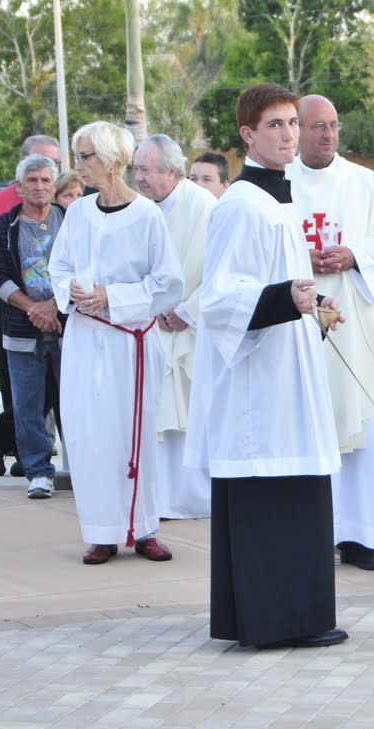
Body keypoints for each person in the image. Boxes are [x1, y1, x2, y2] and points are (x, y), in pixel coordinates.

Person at [186, 83, 347, 650]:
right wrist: (285, 301)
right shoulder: (240, 206)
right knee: (272, 490)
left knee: (300, 491)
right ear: (248, 135)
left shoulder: (280, 200)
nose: (288, 134)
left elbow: (281, 282)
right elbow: (220, 299)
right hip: (260, 387)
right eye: (275, 125)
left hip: (289, 372)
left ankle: (297, 616)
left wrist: (315, 306)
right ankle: (270, 620)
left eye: (292, 124)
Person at [289, 93, 374, 572]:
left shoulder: (363, 183)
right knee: (309, 426)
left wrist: (355, 255)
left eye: (334, 126)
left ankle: (362, 537)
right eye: (317, 126)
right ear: (297, 130)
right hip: (300, 324)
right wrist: (302, 260)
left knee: (361, 429)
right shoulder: (279, 184)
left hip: (355, 326)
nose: (328, 135)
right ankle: (312, 535)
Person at [48, 121, 183, 564]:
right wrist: (73, 292)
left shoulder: (147, 215)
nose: (78, 165)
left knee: (135, 435)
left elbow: (167, 283)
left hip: (131, 344)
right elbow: (60, 266)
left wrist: (113, 297)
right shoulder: (79, 213)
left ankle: (144, 528)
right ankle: (101, 531)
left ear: (110, 160)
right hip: (88, 341)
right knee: (90, 435)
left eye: (85, 156)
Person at [0, 134, 61, 479]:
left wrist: (52, 303)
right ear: (19, 177)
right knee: (20, 385)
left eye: (53, 167)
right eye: (35, 170)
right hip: (9, 305)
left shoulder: (67, 205)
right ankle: (28, 458)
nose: (42, 178)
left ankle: (2, 433)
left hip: (58, 309)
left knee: (58, 386)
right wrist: (17, 270)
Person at [133, 133, 217, 521]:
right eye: (136, 168)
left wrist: (186, 310)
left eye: (146, 169)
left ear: (170, 171)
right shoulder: (137, 208)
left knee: (191, 414)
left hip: (191, 329)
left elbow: (222, 270)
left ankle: (194, 499)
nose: (139, 177)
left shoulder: (204, 207)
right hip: (149, 328)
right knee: (155, 412)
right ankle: (158, 498)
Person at [0, 153, 66, 501]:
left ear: (54, 185)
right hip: (21, 330)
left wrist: (57, 309)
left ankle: (81, 469)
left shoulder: (72, 219)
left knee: (73, 404)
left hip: (68, 329)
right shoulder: (6, 225)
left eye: (46, 180)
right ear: (19, 187)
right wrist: (32, 307)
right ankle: (38, 472)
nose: (39, 186)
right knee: (27, 405)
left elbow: (86, 268)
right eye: (31, 181)